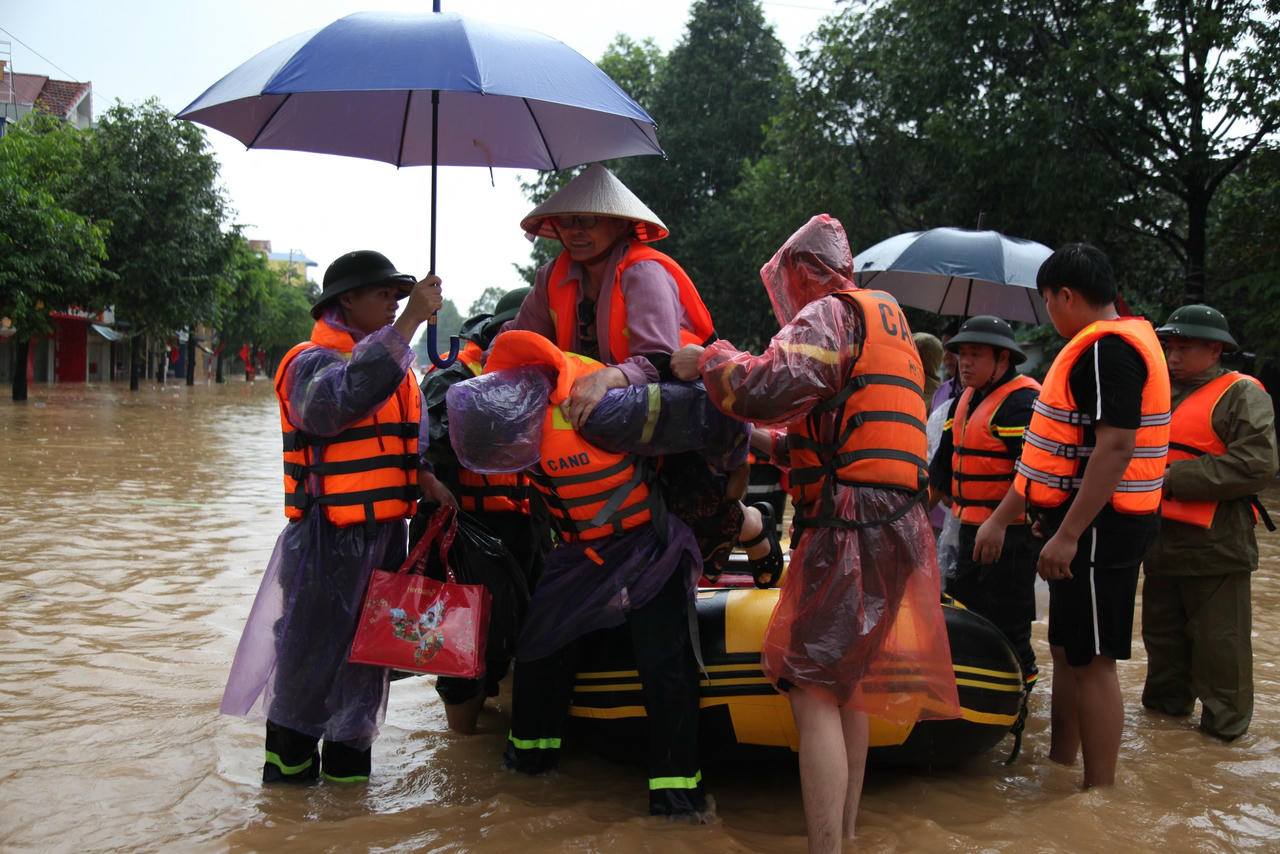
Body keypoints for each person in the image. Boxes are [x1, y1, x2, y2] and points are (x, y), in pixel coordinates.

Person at [672, 215, 960, 852]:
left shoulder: (831, 314)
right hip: (901, 526)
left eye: (789, 279)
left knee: (809, 687)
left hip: (849, 526)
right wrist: (758, 440)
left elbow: (764, 387)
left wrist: (708, 361)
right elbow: (829, 433)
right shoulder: (888, 323)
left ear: (805, 270)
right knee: (845, 683)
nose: (788, 294)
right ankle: (847, 838)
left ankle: (824, 846)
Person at [451, 329, 708, 817]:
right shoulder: (504, 417)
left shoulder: (602, 409)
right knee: (537, 650)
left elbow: (702, 414)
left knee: (665, 665)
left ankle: (677, 801)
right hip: (578, 553)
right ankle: (526, 778)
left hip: (647, 542)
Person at [220, 249, 453, 784]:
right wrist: (415, 320)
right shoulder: (308, 362)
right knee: (306, 669)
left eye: (401, 297)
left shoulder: (395, 367)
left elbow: (391, 441)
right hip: (327, 542)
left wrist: (422, 478)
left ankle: (349, 807)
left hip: (384, 539)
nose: (396, 305)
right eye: (385, 295)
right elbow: (333, 407)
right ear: (346, 300)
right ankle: (287, 798)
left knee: (363, 673)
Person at [510, 162, 779, 583]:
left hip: (683, 400)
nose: (576, 231)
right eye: (568, 222)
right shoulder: (552, 277)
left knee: (694, 521)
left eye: (590, 221)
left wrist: (608, 378)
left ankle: (751, 523)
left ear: (619, 225)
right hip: (609, 413)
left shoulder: (643, 269)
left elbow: (658, 357)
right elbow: (520, 340)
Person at [974, 243, 1170, 788]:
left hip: (1102, 528)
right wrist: (1025, 516)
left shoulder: (1107, 351)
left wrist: (1069, 534)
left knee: (1094, 660)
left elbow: (1116, 447)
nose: (1050, 315)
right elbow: (1059, 452)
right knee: (1066, 649)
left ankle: (1097, 795)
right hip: (1080, 523)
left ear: (1066, 295)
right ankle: (1062, 766)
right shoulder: (1097, 349)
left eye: (1048, 302)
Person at [414, 286, 550, 734]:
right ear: (499, 331)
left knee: (531, 636)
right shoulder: (451, 377)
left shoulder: (548, 374)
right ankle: (463, 745)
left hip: (531, 525)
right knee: (462, 652)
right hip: (469, 528)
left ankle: (511, 721)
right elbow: (430, 440)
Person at [1142, 304, 1277, 740]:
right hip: (1162, 546)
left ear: (1215, 349)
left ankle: (1221, 748)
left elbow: (1257, 464)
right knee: (1163, 660)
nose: (1173, 356)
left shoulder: (1241, 393)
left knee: (1222, 661)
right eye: (1169, 347)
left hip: (1217, 550)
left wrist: (1172, 480)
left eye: (1184, 347)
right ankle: (1166, 752)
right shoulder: (1158, 392)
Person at [928, 316, 1042, 690]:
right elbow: (941, 473)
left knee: (1009, 628)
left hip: (1010, 536)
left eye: (976, 355)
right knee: (967, 618)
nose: (964, 363)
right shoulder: (963, 400)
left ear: (1004, 359)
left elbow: (1033, 472)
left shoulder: (1022, 403)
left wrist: (998, 522)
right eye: (960, 354)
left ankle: (1022, 704)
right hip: (969, 531)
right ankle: (976, 696)